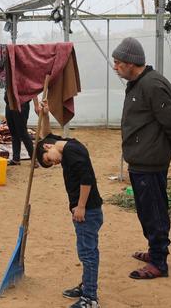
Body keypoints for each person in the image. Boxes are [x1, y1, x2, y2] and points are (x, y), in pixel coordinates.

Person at [112, 37, 171, 279]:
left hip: (151, 160)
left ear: (130, 63)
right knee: (146, 210)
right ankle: (154, 251)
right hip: (140, 159)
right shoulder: (137, 84)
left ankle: (158, 262)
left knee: (154, 211)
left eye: (117, 63)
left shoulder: (153, 85)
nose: (115, 67)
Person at [35, 100, 103, 308]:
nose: (53, 163)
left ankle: (90, 298)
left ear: (49, 148)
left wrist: (81, 206)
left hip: (87, 210)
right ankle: (86, 286)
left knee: (88, 252)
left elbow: (87, 179)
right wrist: (45, 114)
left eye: (48, 160)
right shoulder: (62, 146)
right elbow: (44, 136)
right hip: (83, 209)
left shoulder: (74, 152)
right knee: (85, 250)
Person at [4, 92, 34, 166]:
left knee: (23, 133)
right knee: (14, 133)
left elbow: (32, 91)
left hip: (21, 105)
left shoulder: (25, 80)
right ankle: (16, 159)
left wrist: (36, 106)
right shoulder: (7, 80)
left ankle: (34, 159)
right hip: (9, 104)